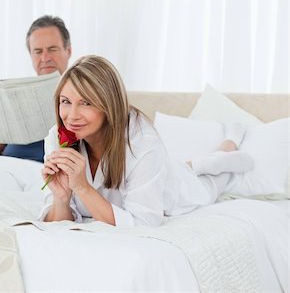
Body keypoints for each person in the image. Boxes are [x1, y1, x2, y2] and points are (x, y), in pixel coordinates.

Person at [39, 55, 254, 227]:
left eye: (85, 103)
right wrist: (62, 198)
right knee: (180, 166)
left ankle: (230, 143)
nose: (72, 115)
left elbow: (142, 223)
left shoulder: (142, 142)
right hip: (162, 169)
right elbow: (57, 221)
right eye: (65, 101)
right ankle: (196, 162)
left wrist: (84, 188)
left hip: (180, 189)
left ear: (108, 105)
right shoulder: (57, 139)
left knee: (212, 180)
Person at [0, 15, 72, 162]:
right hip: (7, 170)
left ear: (68, 51)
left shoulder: (83, 95)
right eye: (38, 51)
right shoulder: (17, 95)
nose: (45, 58)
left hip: (45, 174)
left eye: (52, 49)